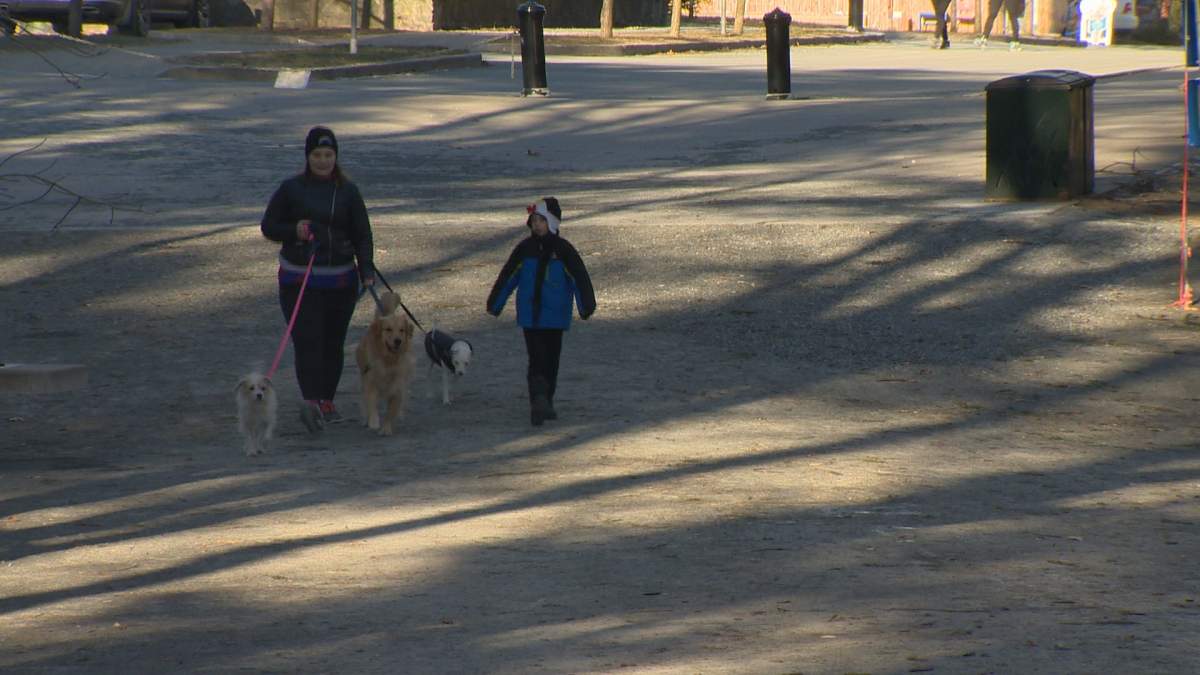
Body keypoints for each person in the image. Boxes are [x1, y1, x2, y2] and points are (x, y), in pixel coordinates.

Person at [261, 126, 375, 432]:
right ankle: (310, 402)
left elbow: (363, 235)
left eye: (328, 155)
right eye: (317, 155)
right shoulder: (291, 189)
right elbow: (268, 226)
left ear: (336, 157)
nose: (323, 161)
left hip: (340, 281)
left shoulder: (349, 192)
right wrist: (293, 230)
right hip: (299, 281)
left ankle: (327, 399)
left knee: (332, 343)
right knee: (307, 341)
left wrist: (367, 272)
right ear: (307, 156)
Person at [487, 197, 596, 426]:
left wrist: (586, 306)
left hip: (556, 317)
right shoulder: (524, 249)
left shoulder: (564, 250)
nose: (536, 225)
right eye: (533, 220)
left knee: (552, 361)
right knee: (536, 359)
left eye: (541, 220)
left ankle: (547, 400)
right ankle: (538, 401)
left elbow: (579, 278)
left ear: (553, 223)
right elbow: (508, 276)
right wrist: (495, 303)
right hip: (530, 316)